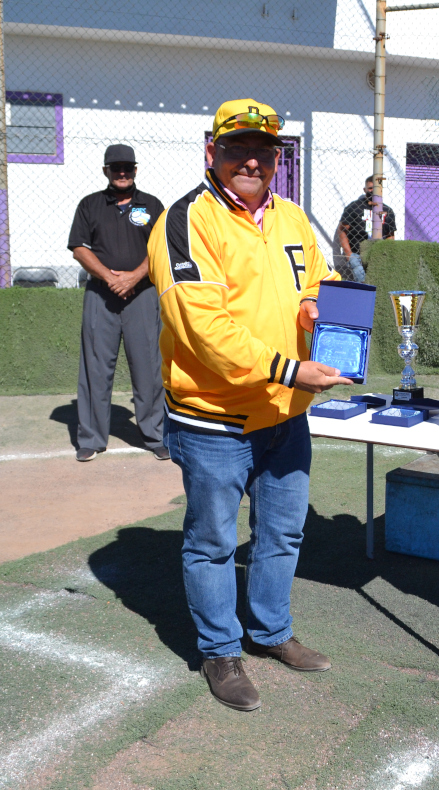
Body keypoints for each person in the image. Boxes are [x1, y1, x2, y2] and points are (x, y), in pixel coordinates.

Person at [147, 98, 353, 712]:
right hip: (213, 417)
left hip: (285, 414)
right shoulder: (186, 219)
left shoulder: (291, 217)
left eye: (264, 149)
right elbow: (201, 327)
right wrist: (290, 368)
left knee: (282, 533)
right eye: (237, 147)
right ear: (212, 151)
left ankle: (271, 631)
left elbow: (320, 280)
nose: (252, 160)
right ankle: (220, 651)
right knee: (212, 541)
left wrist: (319, 307)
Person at [68, 144, 167, 462]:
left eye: (127, 167)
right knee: (95, 367)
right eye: (115, 168)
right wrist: (110, 278)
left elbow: (161, 249)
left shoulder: (152, 205)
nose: (122, 172)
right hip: (101, 295)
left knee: (149, 366)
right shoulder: (90, 205)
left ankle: (155, 435)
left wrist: (133, 278)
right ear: (106, 171)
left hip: (143, 294)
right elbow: (79, 248)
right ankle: (91, 438)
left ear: (135, 170)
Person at [337, 176, 395, 281]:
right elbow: (342, 230)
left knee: (377, 283)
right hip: (357, 255)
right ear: (365, 190)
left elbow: (390, 236)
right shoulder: (354, 207)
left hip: (378, 255)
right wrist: (349, 255)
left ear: (381, 189)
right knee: (362, 283)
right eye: (370, 188)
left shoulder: (388, 211)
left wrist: (387, 254)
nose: (372, 191)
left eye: (375, 188)